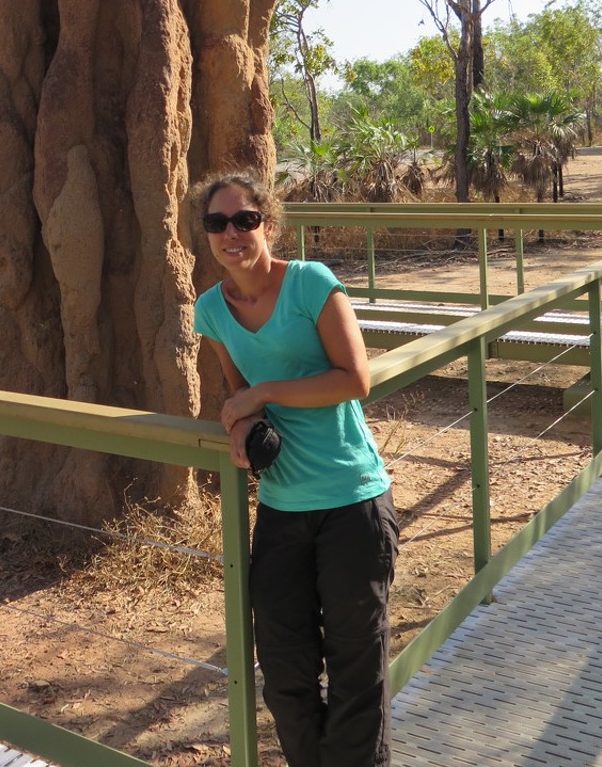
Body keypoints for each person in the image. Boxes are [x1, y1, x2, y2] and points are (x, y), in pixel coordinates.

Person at [193, 171, 398, 767]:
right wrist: (239, 426)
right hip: (282, 508)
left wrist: (264, 396)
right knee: (285, 670)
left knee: (357, 666)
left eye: (244, 220)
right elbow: (236, 393)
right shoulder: (212, 310)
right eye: (217, 223)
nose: (231, 233)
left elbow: (354, 380)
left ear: (269, 224)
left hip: (351, 501)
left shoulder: (310, 284)